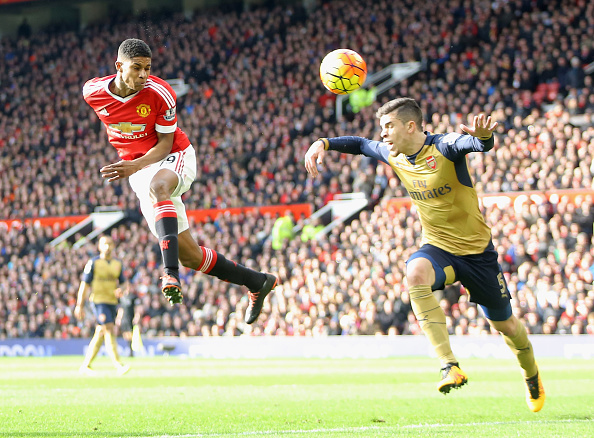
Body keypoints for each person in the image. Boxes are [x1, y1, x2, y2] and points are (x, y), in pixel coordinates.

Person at [304, 97, 545, 412]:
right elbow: (361, 144)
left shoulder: (444, 147)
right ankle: (449, 365)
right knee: (415, 272)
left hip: (477, 254)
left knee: (507, 326)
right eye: (382, 127)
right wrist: (324, 143)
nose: (383, 134)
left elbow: (474, 144)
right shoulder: (393, 153)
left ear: (410, 126)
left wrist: (484, 138)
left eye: (388, 126)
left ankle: (531, 374)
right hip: (438, 247)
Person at [82, 38, 276, 324]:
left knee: (159, 187)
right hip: (138, 170)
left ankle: (170, 274)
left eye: (148, 68)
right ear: (119, 66)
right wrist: (134, 165)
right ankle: (257, 281)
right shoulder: (92, 92)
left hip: (173, 155)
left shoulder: (160, 93)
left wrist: (134, 164)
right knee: (191, 256)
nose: (143, 75)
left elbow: (164, 144)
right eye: (136, 68)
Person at [74, 236, 130, 375]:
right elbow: (84, 285)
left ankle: (85, 365)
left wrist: (121, 289)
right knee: (109, 328)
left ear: (113, 246)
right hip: (98, 301)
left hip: (112, 301)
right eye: (104, 244)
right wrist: (79, 305)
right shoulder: (94, 263)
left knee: (101, 331)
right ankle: (118, 364)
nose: (107, 246)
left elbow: (124, 283)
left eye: (110, 244)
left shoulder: (117, 264)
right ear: (99, 246)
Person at [116, 287, 139, 357]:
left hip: (130, 318)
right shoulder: (122, 298)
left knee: (130, 333)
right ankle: (129, 348)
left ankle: (131, 350)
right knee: (125, 334)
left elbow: (136, 308)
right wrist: (119, 318)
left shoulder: (133, 297)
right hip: (124, 318)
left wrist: (136, 316)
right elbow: (121, 309)